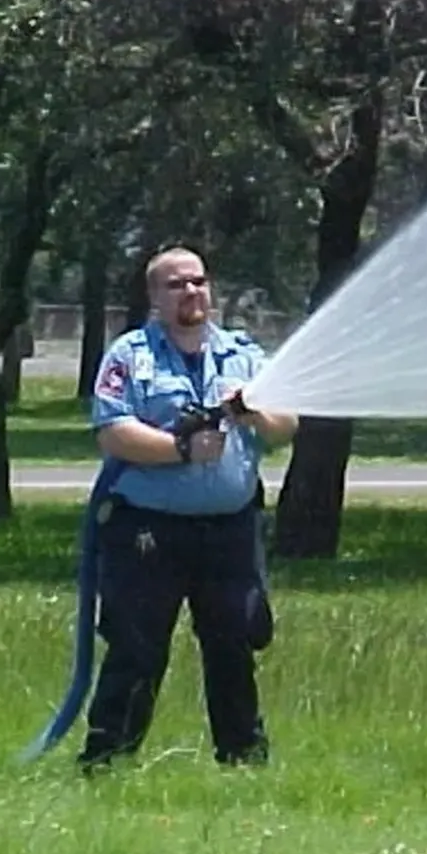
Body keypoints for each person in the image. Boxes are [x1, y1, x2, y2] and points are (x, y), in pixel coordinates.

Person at [79, 245, 298, 774]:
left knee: (233, 646)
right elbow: (114, 432)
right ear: (155, 296)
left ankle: (243, 759)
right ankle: (106, 760)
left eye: (198, 282)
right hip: (148, 533)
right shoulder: (130, 356)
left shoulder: (243, 356)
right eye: (176, 285)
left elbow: (288, 424)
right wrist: (179, 450)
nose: (191, 292)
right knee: (137, 647)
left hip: (230, 530)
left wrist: (255, 413)